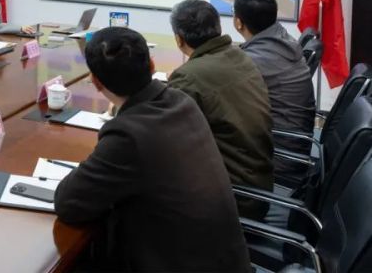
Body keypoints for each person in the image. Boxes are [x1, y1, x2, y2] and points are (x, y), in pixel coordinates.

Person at [54, 27, 250, 272]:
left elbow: (68, 203)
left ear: (95, 82)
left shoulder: (128, 136)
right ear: (152, 65)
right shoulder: (182, 101)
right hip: (225, 261)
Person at [167, 0, 274, 219]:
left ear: (179, 39)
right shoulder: (238, 55)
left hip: (230, 199)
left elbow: (159, 135)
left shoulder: (189, 76)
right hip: (258, 185)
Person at [234, 0, 316, 182]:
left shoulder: (252, 61)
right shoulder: (283, 40)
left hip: (278, 159)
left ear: (238, 22)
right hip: (295, 146)